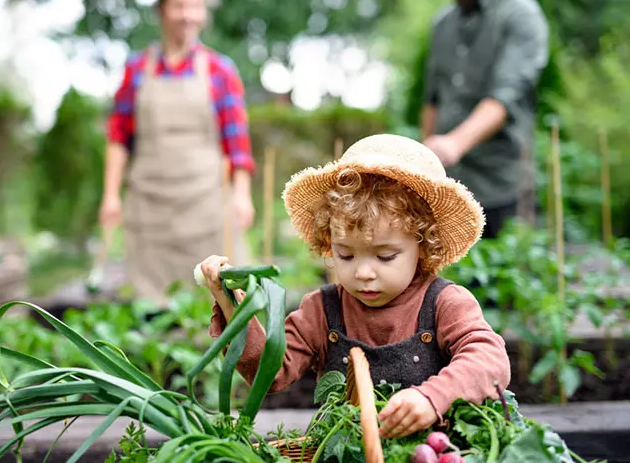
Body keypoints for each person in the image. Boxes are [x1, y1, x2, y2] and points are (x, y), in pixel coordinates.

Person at [199, 134, 511, 439]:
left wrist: (433, 397)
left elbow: (489, 360)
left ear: (423, 245)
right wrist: (233, 307)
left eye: (385, 256)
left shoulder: (445, 303)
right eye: (345, 254)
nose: (362, 272)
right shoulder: (322, 310)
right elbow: (269, 373)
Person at [101, 0, 256, 307]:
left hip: (206, 205)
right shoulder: (136, 70)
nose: (188, 15)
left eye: (196, 6)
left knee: (217, 300)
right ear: (161, 10)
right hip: (149, 207)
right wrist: (111, 196)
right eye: (179, 6)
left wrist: (242, 196)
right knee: (150, 306)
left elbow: (237, 143)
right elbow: (118, 137)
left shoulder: (219, 70)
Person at [421, 0, 549, 239]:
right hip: (450, 187)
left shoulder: (520, 14)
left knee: (509, 270)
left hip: (502, 183)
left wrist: (454, 143)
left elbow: (504, 97)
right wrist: (424, 159)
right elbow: (432, 99)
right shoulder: (442, 23)